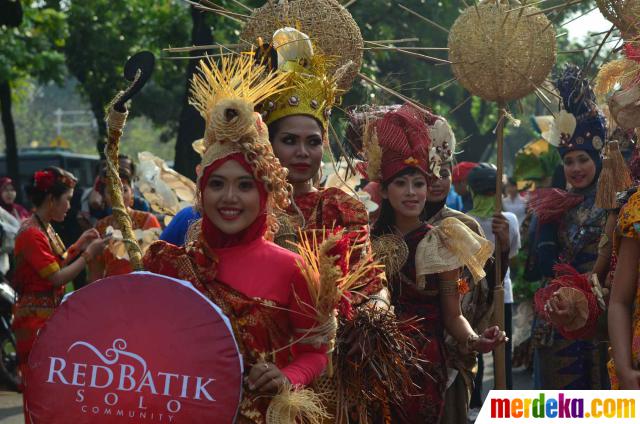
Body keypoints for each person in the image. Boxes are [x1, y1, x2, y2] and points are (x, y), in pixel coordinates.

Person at [143, 55, 327, 422]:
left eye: (245, 185)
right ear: (200, 191)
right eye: (217, 184)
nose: (229, 198)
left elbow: (317, 352)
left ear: (265, 193)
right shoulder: (168, 264)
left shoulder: (294, 268)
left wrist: (285, 377)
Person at [258, 27, 388, 422]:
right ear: (269, 143)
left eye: (312, 142)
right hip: (259, 364)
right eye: (290, 141)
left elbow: (367, 284)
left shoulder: (342, 208)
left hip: (330, 368)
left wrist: (375, 311)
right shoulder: (248, 207)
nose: (302, 152)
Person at [361, 104, 505, 423]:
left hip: (426, 364)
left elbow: (453, 315)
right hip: (374, 364)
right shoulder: (364, 243)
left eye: (419, 183)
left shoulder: (443, 241)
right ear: (384, 189)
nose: (412, 193)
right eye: (401, 183)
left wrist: (474, 340)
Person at [421, 115, 509, 424]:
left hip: (452, 354)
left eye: (443, 172)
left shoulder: (464, 226)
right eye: (426, 172)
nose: (437, 179)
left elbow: (484, 286)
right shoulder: (384, 230)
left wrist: (504, 247)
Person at [530, 65, 609, 390]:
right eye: (569, 161)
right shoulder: (552, 204)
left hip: (604, 318)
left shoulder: (615, 203)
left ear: (598, 159)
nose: (575, 168)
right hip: (558, 319)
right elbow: (538, 267)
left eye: (583, 159)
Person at [12, 167, 106, 419]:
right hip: (33, 321)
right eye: (67, 200)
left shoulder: (45, 227)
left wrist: (78, 245)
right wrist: (88, 255)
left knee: (50, 387)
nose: (69, 206)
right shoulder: (32, 233)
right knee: (38, 387)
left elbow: (57, 262)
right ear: (52, 199)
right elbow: (55, 277)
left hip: (46, 318)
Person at [466, 164, 521, 394]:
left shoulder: (507, 221)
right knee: (474, 348)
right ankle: (474, 401)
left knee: (502, 349)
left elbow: (512, 253)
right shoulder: (463, 223)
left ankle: (503, 400)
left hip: (501, 293)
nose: (488, 197)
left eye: (491, 191)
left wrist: (504, 240)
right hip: (472, 298)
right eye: (484, 192)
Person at [91, 167, 161, 279]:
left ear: (132, 193)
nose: (119, 196)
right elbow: (96, 270)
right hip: (112, 288)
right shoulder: (100, 226)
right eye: (111, 192)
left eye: (124, 190)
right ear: (104, 197)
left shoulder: (147, 220)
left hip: (143, 285)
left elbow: (158, 261)